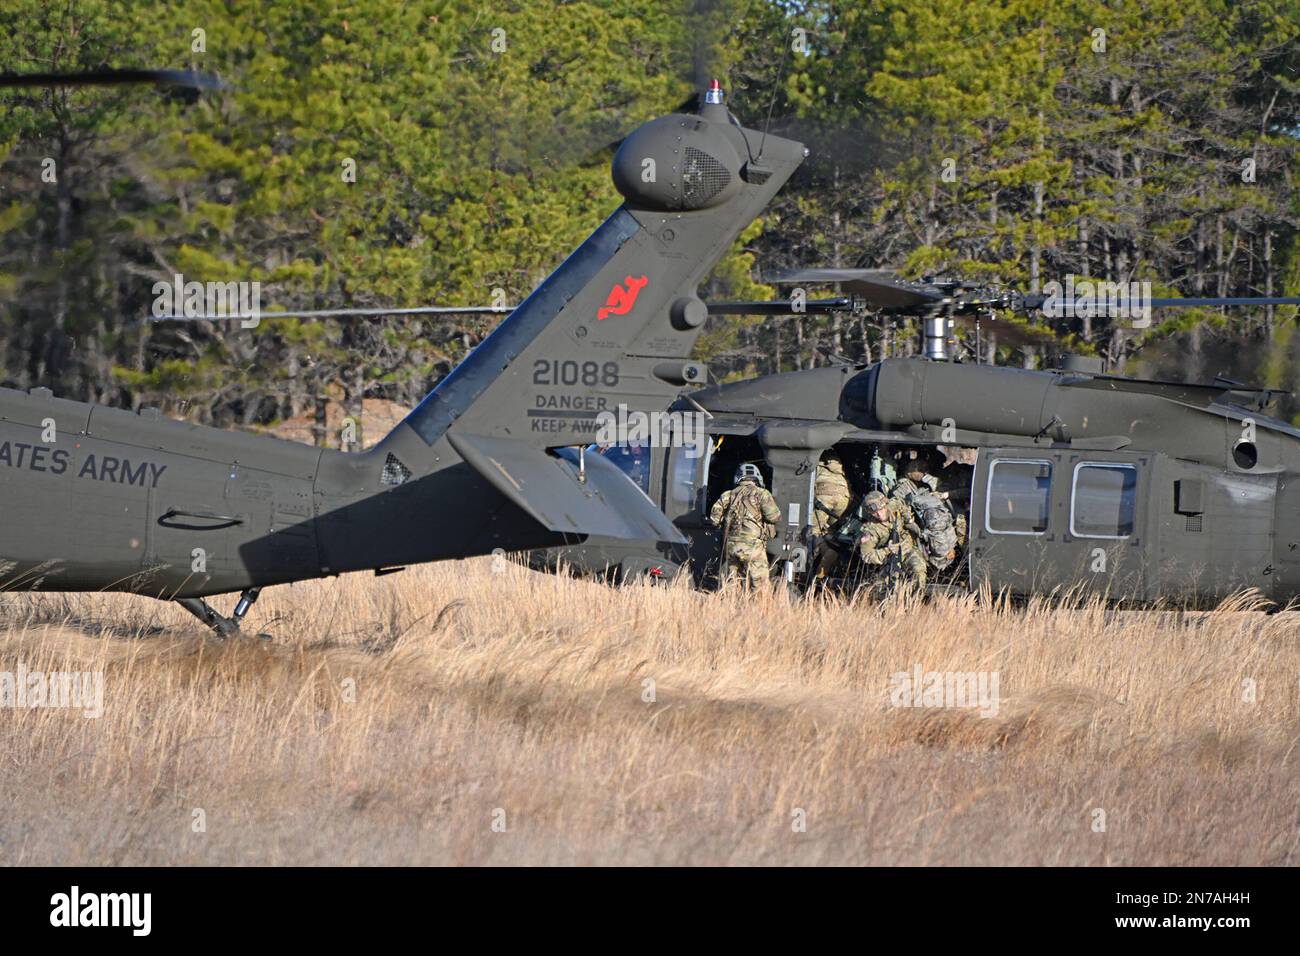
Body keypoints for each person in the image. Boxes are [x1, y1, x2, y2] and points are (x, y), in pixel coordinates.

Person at [708, 463, 780, 587]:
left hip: (731, 546)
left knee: (731, 586)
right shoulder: (762, 493)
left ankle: (729, 605)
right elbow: (774, 517)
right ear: (757, 478)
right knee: (760, 586)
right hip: (753, 547)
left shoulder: (728, 495)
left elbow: (714, 519)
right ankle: (758, 606)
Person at [858, 490, 928, 588]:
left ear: (885, 505)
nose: (879, 514)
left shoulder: (894, 506)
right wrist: (887, 551)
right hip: (889, 559)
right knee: (883, 587)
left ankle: (915, 599)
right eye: (874, 512)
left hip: (908, 550)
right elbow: (867, 555)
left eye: (881, 509)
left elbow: (903, 504)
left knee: (919, 570)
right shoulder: (871, 529)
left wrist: (909, 520)